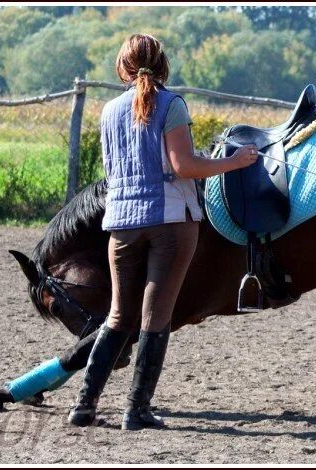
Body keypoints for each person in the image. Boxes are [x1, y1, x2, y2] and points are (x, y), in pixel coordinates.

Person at [67, 33, 258, 430]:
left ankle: (84, 405)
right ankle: (136, 411)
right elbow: (183, 165)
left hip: (120, 224)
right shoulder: (171, 104)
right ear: (162, 64)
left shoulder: (108, 111)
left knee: (118, 316)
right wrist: (235, 162)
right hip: (170, 222)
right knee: (156, 316)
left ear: (123, 67)